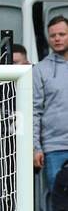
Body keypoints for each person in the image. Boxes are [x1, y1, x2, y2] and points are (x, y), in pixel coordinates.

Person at [34, 16, 68, 185]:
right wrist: (36, 147)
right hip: (54, 148)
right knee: (56, 204)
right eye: (53, 35)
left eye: (62, 34)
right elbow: (34, 111)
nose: (57, 39)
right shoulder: (40, 69)